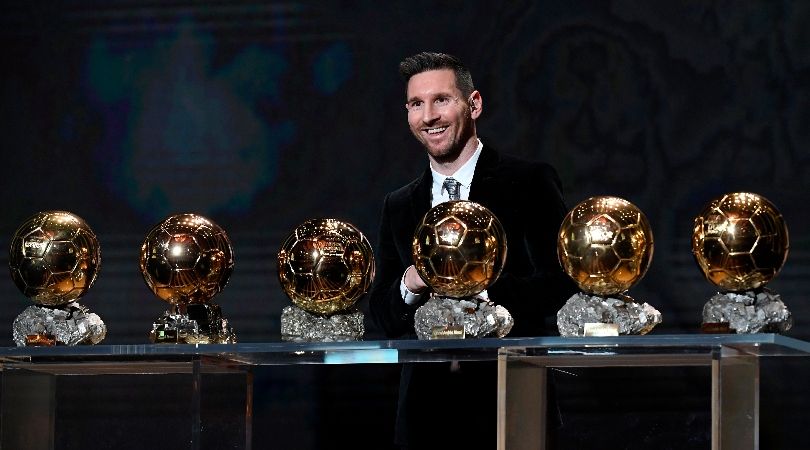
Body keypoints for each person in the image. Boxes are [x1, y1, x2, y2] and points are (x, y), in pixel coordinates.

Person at [367, 51, 577, 449]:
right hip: (423, 420)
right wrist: (410, 282)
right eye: (416, 104)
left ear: (474, 104)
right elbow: (381, 313)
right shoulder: (398, 205)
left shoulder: (528, 182)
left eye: (441, 100)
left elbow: (561, 284)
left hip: (509, 403)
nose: (429, 116)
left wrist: (480, 291)